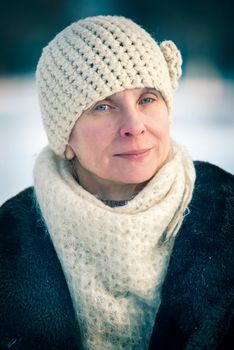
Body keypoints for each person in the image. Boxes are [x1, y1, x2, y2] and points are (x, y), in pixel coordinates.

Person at [0, 15, 233, 350]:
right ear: (65, 137)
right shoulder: (11, 242)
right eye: (103, 106)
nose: (133, 126)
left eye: (147, 99)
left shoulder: (225, 214)